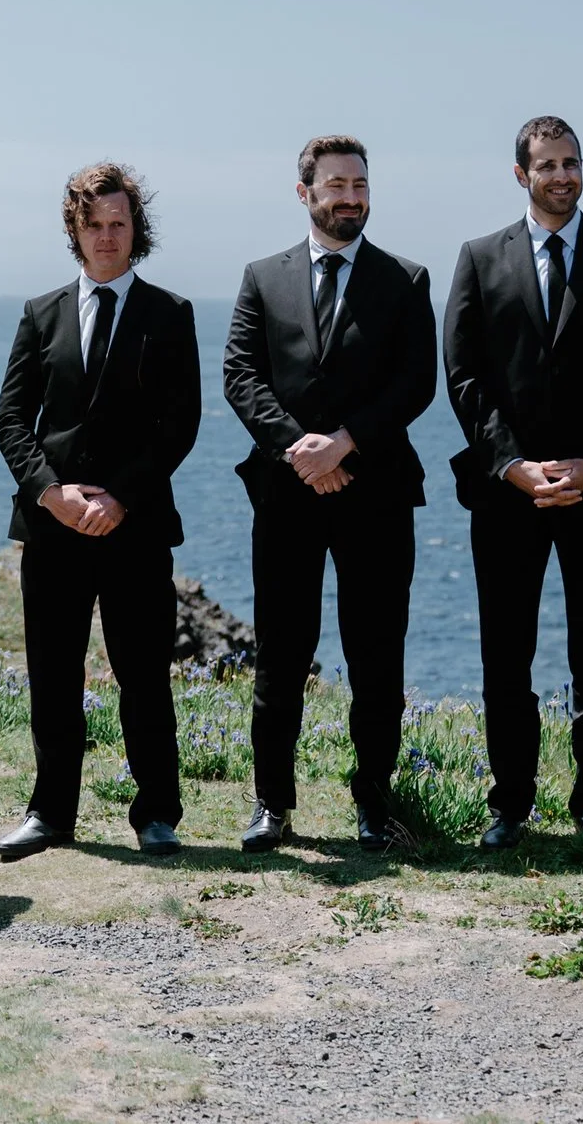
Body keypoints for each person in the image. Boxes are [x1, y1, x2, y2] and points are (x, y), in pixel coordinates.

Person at [443, 116, 583, 848]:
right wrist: (511, 463)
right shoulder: (478, 258)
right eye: (548, 164)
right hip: (507, 492)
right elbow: (465, 373)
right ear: (521, 174)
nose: (563, 174)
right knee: (506, 652)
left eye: (572, 162)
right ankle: (510, 803)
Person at [222, 134, 437, 851]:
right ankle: (272, 805)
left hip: (376, 494)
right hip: (285, 497)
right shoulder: (262, 276)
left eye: (360, 184)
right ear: (306, 191)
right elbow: (241, 375)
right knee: (281, 653)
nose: (351, 196)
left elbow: (416, 383)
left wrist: (343, 442)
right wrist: (298, 450)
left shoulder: (405, 279)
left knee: (377, 656)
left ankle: (374, 806)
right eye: (337, 184)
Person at [0, 163, 202, 862]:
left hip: (134, 525)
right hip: (52, 526)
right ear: (74, 229)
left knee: (144, 674)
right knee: (53, 673)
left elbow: (181, 422)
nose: (107, 236)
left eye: (119, 223)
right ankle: (51, 812)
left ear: (136, 230)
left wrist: (120, 495)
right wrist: (52, 491)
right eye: (94, 224)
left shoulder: (170, 314)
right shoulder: (40, 312)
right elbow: (12, 418)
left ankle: (157, 815)